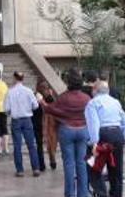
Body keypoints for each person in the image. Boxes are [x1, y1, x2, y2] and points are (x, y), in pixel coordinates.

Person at [43, 69, 92, 197]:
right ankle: (83, 194)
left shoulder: (63, 97)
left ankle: (70, 194)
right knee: (82, 162)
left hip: (67, 131)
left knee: (69, 164)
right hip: (83, 130)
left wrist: (41, 102)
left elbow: (51, 109)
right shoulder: (86, 98)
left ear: (68, 82)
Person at [85, 80, 125, 197]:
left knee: (94, 167)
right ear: (108, 90)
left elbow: (93, 123)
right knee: (116, 169)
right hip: (117, 133)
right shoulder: (115, 102)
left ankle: (102, 193)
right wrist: (122, 136)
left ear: (94, 91)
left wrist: (94, 142)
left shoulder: (93, 103)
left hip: (103, 135)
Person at [4, 71, 41, 177]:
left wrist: (13, 111)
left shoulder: (10, 92)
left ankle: (20, 170)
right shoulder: (29, 91)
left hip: (16, 120)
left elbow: (6, 109)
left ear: (15, 78)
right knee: (31, 145)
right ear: (22, 79)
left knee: (17, 146)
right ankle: (35, 168)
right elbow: (35, 106)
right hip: (27, 119)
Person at [33, 80, 58, 172]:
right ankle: (51, 160)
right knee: (50, 142)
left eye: (45, 87)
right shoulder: (49, 96)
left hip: (41, 122)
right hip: (46, 123)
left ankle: (42, 164)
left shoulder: (37, 95)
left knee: (41, 144)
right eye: (43, 87)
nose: (45, 89)